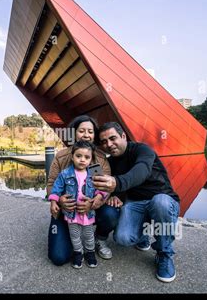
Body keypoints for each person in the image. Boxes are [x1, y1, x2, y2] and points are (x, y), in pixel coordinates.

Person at [93, 122, 180, 283]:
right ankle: (143, 235)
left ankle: (165, 254)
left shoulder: (142, 150)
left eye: (113, 138)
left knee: (160, 203)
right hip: (136, 204)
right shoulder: (110, 162)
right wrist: (114, 194)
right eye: (104, 142)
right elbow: (102, 182)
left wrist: (117, 183)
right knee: (122, 238)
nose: (109, 145)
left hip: (162, 199)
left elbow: (140, 171)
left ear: (123, 136)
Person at [47, 115, 119, 266]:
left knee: (111, 213)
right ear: (74, 133)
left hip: (90, 211)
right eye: (82, 131)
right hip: (67, 210)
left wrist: (95, 202)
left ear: (94, 135)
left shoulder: (96, 160)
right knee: (58, 257)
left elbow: (103, 187)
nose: (86, 134)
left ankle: (98, 239)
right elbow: (52, 183)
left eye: (90, 131)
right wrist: (58, 200)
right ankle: (76, 244)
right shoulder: (62, 157)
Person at [48, 141, 107, 269]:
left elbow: (102, 188)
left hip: (88, 212)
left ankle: (90, 252)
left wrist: (99, 196)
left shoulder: (95, 171)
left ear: (91, 159)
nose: (82, 160)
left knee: (88, 234)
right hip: (71, 213)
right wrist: (54, 201)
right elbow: (56, 189)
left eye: (87, 157)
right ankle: (78, 252)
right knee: (74, 235)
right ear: (72, 156)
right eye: (78, 156)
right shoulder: (65, 173)